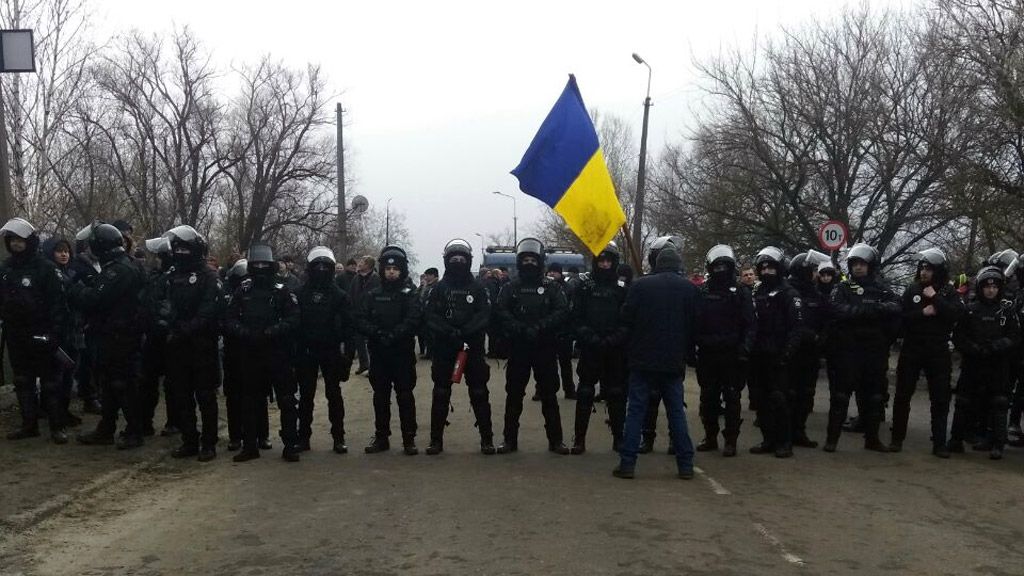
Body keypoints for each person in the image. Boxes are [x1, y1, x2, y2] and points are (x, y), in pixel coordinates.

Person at [614, 244, 698, 479]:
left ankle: (627, 463)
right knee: (676, 412)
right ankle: (685, 465)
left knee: (636, 411)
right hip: (673, 360)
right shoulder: (689, 289)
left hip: (642, 359)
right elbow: (694, 324)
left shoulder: (640, 286)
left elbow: (626, 318)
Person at [223, 243, 301, 463]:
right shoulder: (243, 290)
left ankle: (290, 445)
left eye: (263, 265)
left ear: (271, 266)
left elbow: (294, 318)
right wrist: (244, 332)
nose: (260, 269)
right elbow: (229, 318)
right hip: (251, 352)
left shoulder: (282, 290)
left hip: (277, 352)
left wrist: (274, 331)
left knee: (287, 400)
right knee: (250, 400)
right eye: (256, 265)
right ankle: (250, 446)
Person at [73, 222, 147, 450]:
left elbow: (95, 299)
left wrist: (75, 289)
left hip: (119, 336)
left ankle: (134, 431)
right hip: (116, 334)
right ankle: (107, 428)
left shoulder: (118, 269)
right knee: (110, 383)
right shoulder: (125, 264)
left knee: (122, 383)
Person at [495, 238, 570, 454]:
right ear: (520, 262)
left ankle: (556, 441)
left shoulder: (551, 286)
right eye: (525, 260)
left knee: (549, 395)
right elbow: (500, 311)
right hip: (519, 347)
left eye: (533, 260)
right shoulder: (510, 287)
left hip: (544, 346)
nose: (529, 263)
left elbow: (562, 311)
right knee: (514, 395)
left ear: (540, 261)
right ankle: (509, 440)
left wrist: (540, 327)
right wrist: (518, 328)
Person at [824, 243, 900, 453]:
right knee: (841, 396)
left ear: (871, 266)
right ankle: (832, 440)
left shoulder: (882, 289)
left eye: (862, 264)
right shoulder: (842, 288)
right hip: (848, 350)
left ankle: (872, 439)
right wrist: (863, 312)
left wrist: (877, 313)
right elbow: (835, 309)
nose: (858, 267)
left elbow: (896, 308)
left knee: (875, 397)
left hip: (874, 351)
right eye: (855, 263)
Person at [1, 218, 71, 443]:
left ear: (29, 241)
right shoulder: (6, 268)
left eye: (20, 240)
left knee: (50, 382)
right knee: (23, 380)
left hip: (42, 332)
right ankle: (29, 425)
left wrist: (55, 333)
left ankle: (57, 427)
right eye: (12, 240)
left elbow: (58, 304)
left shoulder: (46, 268)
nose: (16, 244)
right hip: (16, 334)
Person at [423, 239, 495, 455]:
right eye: (453, 259)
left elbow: (485, 315)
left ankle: (487, 439)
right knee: (441, 392)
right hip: (445, 347)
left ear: (468, 261)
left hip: (472, 347)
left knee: (479, 392)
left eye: (461, 259)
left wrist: (466, 331)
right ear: (447, 261)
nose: (457, 262)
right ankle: (436, 440)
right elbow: (429, 315)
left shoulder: (478, 288)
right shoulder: (438, 288)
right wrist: (448, 331)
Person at [890, 248, 964, 457]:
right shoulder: (912, 289)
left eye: (929, 269)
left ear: (938, 271)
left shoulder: (948, 292)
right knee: (903, 395)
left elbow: (956, 315)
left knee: (940, 398)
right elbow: (901, 319)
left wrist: (935, 299)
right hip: (912, 347)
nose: (924, 272)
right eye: (922, 268)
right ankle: (896, 439)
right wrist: (922, 313)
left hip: (938, 349)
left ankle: (939, 443)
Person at [157, 226, 222, 462]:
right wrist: (163, 321)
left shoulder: (209, 277)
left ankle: (209, 443)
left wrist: (183, 330)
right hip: (176, 346)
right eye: (178, 249)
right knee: (181, 396)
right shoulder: (171, 275)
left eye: (185, 249)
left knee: (205, 396)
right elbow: (159, 301)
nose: (180, 253)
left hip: (202, 345)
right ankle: (189, 440)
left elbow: (208, 312)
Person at [356, 245, 421, 455]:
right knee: (380, 396)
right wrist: (377, 334)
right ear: (382, 270)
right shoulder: (373, 294)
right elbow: (361, 319)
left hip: (402, 352)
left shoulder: (410, 294)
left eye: (395, 269)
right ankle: (381, 437)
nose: (391, 272)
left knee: (405, 396)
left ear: (402, 270)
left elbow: (414, 319)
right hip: (379, 352)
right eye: (388, 269)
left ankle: (409, 439)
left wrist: (395, 335)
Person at [949, 266, 1020, 459]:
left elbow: (1015, 336)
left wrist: (997, 346)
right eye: (987, 287)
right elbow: (958, 335)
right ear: (981, 288)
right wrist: (973, 348)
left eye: (995, 287)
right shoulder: (970, 310)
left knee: (998, 402)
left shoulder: (1006, 311)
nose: (991, 290)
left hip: (997, 364)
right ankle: (956, 439)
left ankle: (997, 443)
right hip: (973, 363)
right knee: (963, 401)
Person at [694, 244, 755, 457]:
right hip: (708, 353)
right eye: (717, 266)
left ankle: (731, 440)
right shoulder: (702, 292)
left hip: (732, 354)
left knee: (732, 398)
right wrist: (694, 347)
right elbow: (694, 322)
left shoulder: (740, 292)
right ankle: (710, 436)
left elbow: (750, 324)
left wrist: (745, 349)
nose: (720, 270)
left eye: (724, 266)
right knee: (708, 398)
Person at [295, 246, 355, 454]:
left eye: (325, 266)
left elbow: (349, 328)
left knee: (334, 394)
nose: (321, 270)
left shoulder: (339, 295)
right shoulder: (300, 293)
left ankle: (338, 437)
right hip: (306, 350)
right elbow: (293, 323)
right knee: (306, 395)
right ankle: (303, 437)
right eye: (317, 266)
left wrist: (348, 356)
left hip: (330, 350)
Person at [570, 242, 629, 454]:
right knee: (585, 392)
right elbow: (576, 317)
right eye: (601, 260)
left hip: (615, 349)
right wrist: (589, 337)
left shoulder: (622, 289)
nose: (604, 264)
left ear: (614, 262)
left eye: (608, 261)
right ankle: (579, 439)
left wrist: (615, 339)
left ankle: (619, 438)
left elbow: (629, 320)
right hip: (590, 347)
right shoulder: (584, 287)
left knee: (616, 393)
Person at [748, 246, 804, 458]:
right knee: (760, 399)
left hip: (779, 355)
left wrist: (787, 354)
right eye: (763, 268)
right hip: (759, 355)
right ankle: (768, 439)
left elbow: (797, 328)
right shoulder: (757, 292)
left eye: (770, 268)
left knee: (779, 399)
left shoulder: (789, 294)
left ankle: (784, 442)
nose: (766, 272)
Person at [786, 250, 831, 449]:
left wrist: (821, 340)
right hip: (791, 352)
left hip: (810, 353)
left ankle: (799, 430)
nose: (816, 274)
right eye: (812, 270)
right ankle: (785, 432)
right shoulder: (788, 293)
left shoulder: (816, 295)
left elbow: (827, 320)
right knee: (789, 392)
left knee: (806, 393)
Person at [139, 236, 176, 438]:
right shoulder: (154, 276)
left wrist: (161, 322)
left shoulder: (172, 277)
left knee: (172, 383)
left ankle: (174, 422)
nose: (153, 259)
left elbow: (169, 305)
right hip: (152, 335)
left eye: (157, 257)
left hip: (166, 336)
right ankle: (145, 422)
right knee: (148, 382)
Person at [546, 262, 578, 400]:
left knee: (565, 363)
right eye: (550, 271)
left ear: (560, 273)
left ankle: (569, 389)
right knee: (547, 364)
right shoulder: (545, 287)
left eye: (555, 271)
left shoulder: (568, 288)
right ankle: (543, 389)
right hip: (548, 330)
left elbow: (572, 308)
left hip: (564, 331)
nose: (552, 274)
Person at [348, 255, 380, 375]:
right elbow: (351, 294)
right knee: (359, 341)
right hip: (358, 313)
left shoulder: (376, 279)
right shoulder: (356, 278)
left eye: (362, 261)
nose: (359, 263)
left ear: (368, 265)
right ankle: (363, 364)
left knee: (372, 342)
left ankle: (373, 367)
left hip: (371, 315)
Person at [417, 267, 439, 358]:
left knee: (432, 336)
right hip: (425, 314)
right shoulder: (427, 286)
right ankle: (429, 353)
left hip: (433, 315)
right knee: (427, 335)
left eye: (427, 275)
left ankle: (432, 354)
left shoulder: (436, 286)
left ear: (433, 276)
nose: (426, 277)